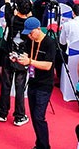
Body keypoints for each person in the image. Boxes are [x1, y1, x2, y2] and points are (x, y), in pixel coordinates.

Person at [19, 16, 57, 149]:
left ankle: (45, 146)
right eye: (28, 33)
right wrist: (20, 59)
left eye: (31, 32)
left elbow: (48, 65)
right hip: (32, 81)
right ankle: (39, 144)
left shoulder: (49, 43)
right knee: (35, 117)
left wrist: (30, 61)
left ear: (38, 29)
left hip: (45, 85)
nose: (29, 36)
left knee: (39, 116)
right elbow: (27, 56)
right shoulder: (30, 41)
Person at [0, 0, 32, 125]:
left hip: (9, 56)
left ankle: (2, 113)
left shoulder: (10, 18)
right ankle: (19, 116)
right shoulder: (31, 22)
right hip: (23, 58)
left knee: (5, 85)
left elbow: (7, 5)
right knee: (20, 88)